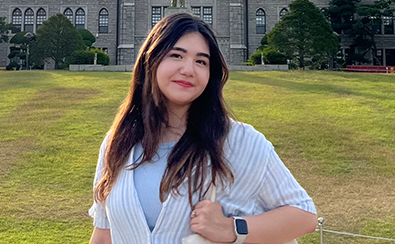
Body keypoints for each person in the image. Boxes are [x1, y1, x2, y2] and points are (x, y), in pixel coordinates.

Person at [89, 13, 317, 244]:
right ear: (151, 60)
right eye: (176, 55)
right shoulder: (117, 144)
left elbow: (304, 215)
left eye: (201, 61)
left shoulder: (240, 142)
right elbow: (103, 234)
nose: (189, 69)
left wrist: (232, 229)